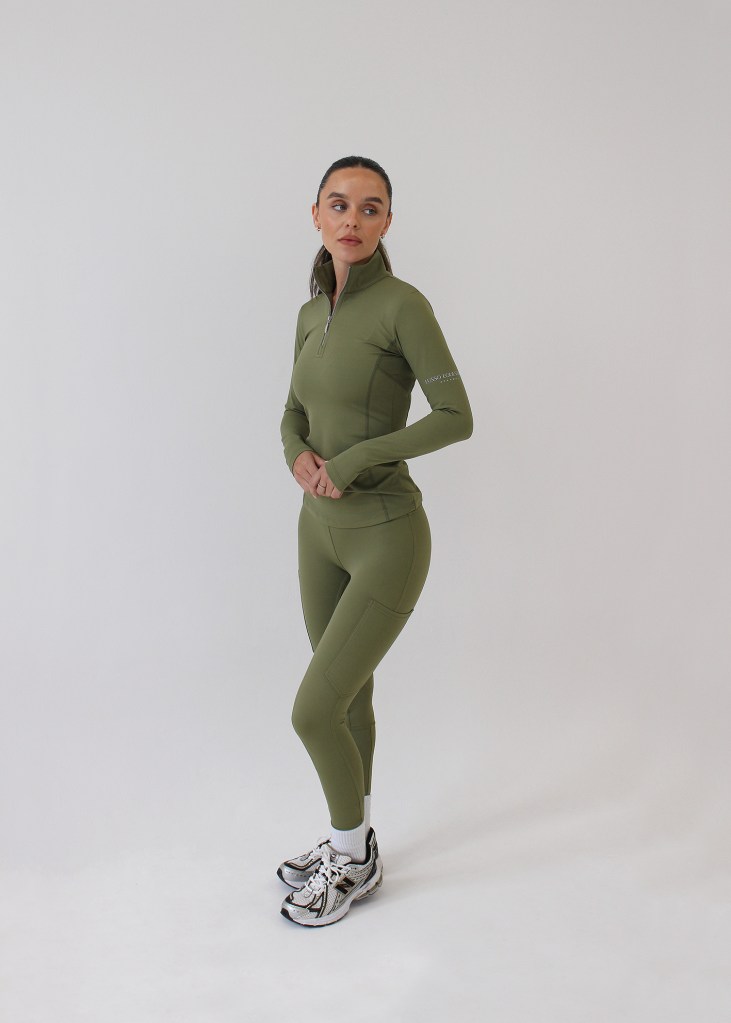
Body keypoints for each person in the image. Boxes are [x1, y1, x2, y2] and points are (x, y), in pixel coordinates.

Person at [278, 155, 473, 927]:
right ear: (316, 215)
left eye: (369, 207)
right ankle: (352, 841)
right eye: (338, 204)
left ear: (387, 221)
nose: (352, 220)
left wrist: (357, 459)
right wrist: (295, 454)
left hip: (386, 535)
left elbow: (456, 416)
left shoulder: (402, 305)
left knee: (312, 710)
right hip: (317, 530)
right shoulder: (309, 312)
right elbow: (291, 412)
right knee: (347, 696)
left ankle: (350, 856)